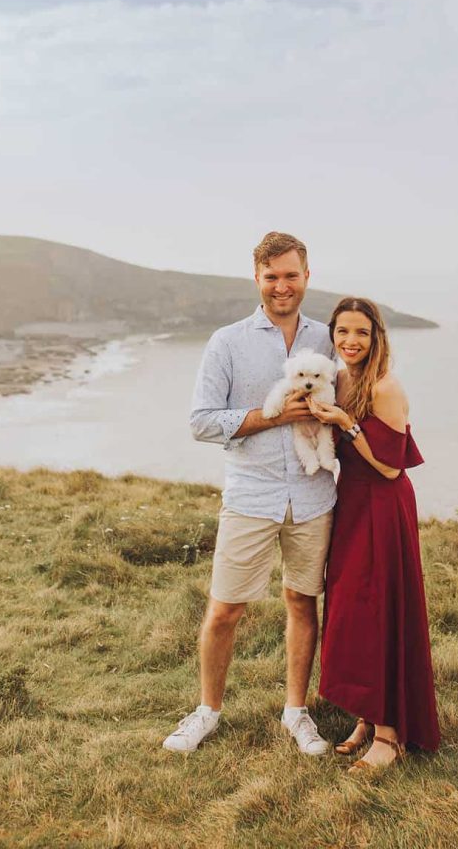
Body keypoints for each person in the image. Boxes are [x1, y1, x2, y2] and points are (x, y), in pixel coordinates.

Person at [163, 232, 336, 754]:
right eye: (271, 276)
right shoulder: (228, 341)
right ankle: (207, 711)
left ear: (307, 275)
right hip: (251, 495)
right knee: (224, 610)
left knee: (303, 603)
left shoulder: (329, 339)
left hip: (314, 496)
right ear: (256, 278)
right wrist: (269, 416)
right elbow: (200, 422)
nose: (281, 286)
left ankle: (296, 713)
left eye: (290, 275)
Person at [308, 296, 440, 771]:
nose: (350, 340)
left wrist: (346, 423)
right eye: (343, 331)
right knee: (352, 610)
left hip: (383, 507)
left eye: (361, 332)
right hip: (351, 505)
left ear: (376, 336)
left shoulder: (385, 387)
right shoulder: (339, 378)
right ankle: (368, 713)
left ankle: (390, 734)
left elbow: (388, 467)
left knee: (381, 609)